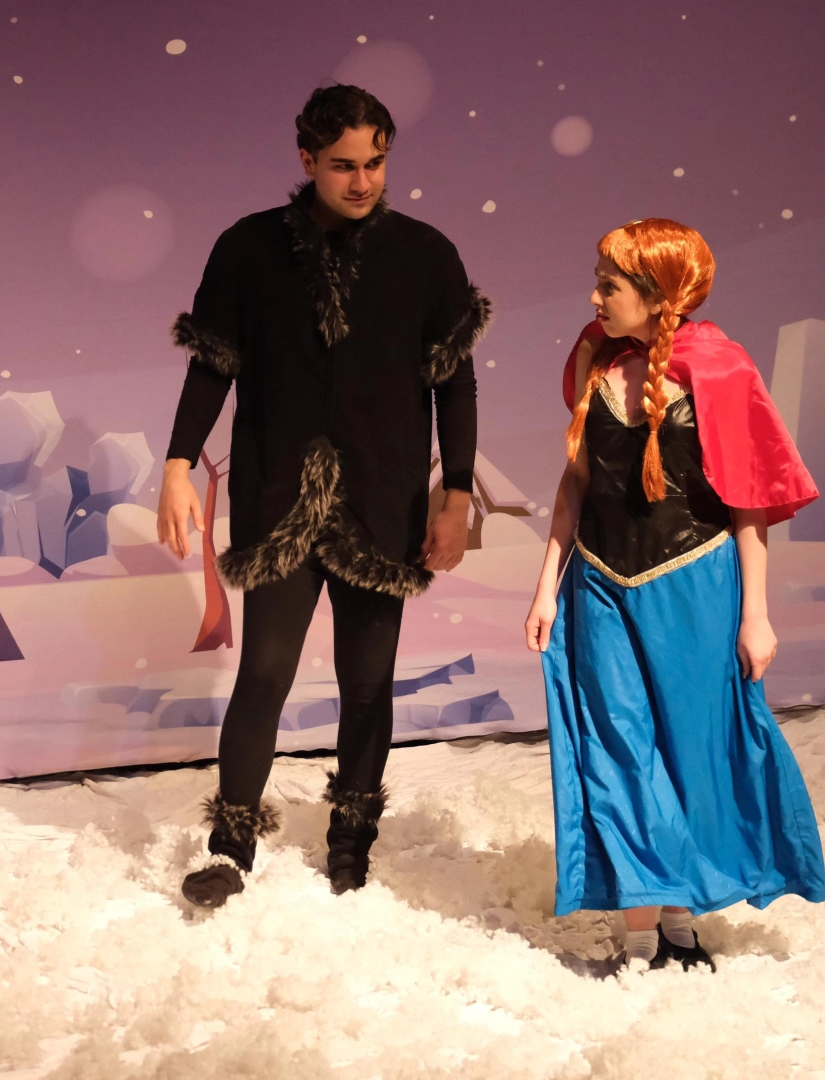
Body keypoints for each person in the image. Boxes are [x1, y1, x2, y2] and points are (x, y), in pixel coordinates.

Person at [158, 84, 489, 909]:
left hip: (384, 497)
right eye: (343, 165)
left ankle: (352, 840)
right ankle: (231, 845)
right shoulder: (248, 248)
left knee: (368, 680)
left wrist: (456, 495)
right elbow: (212, 366)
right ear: (306, 159)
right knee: (264, 672)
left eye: (376, 162)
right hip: (279, 497)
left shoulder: (425, 255)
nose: (363, 180)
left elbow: (455, 383)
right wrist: (176, 462)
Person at [524, 218, 825, 972]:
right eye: (598, 281)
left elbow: (749, 504)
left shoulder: (718, 368)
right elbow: (576, 483)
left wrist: (756, 616)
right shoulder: (593, 358)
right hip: (600, 584)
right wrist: (547, 587)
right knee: (618, 749)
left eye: (610, 285)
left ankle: (681, 922)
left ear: (659, 296)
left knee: (692, 750)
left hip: (695, 585)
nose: (594, 297)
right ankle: (638, 932)